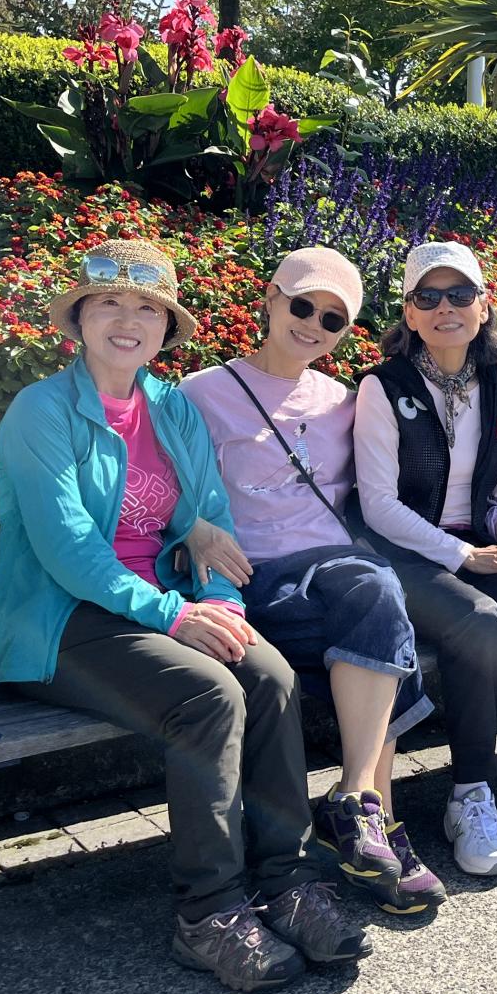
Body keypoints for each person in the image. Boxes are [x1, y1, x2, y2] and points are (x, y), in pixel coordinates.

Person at [0, 239, 371, 993]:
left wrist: (222, 608)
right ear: (79, 319)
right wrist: (173, 616)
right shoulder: (41, 411)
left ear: (166, 327)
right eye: (109, 304)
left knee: (268, 674)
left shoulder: (171, 408)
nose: (127, 321)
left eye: (147, 308)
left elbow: (213, 525)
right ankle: (209, 912)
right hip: (60, 622)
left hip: (161, 608)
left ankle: (285, 882)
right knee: (209, 695)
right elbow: (68, 550)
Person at [181, 247, 446, 916]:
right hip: (253, 578)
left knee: (377, 597)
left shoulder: (343, 401)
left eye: (333, 319)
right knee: (384, 623)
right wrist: (191, 526)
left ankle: (358, 804)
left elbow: (387, 487)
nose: (313, 325)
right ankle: (376, 819)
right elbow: (162, 487)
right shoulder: (201, 393)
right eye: (302, 305)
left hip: (333, 574)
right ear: (270, 299)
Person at [350, 241, 497, 877]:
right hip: (402, 553)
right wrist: (465, 553)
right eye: (428, 297)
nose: (445, 308)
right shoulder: (381, 387)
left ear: (483, 306)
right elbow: (378, 505)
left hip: (476, 541)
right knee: (477, 618)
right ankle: (469, 794)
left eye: (460, 294)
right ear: (410, 314)